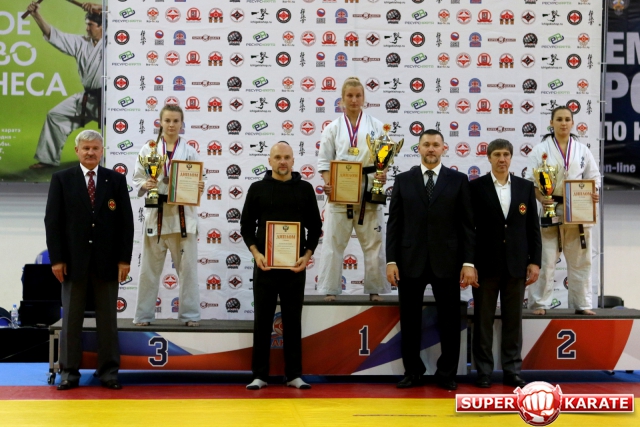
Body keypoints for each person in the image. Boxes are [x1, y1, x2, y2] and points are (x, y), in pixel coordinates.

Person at [386, 129, 476, 390]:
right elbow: (394, 224)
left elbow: (467, 225)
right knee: (410, 321)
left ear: (444, 148)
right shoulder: (403, 180)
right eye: (426, 144)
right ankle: (413, 372)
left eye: (436, 144)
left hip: (447, 261)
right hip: (409, 261)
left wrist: (468, 263)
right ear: (419, 148)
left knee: (450, 321)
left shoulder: (458, 180)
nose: (431, 149)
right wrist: (391, 260)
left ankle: (446, 374)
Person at [44, 129, 134, 390]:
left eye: (95, 148)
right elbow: (53, 221)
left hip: (108, 262)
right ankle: (69, 373)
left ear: (102, 151)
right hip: (73, 263)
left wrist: (124, 259)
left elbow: (126, 223)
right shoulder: (62, 179)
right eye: (86, 148)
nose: (90, 152)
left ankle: (108, 372)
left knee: (108, 321)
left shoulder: (115, 180)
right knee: (71, 321)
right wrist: (57, 259)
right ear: (77, 151)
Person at [240, 142, 322, 390]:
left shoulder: (305, 189)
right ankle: (259, 376)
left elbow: (315, 227)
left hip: (294, 268)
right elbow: (246, 226)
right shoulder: (257, 188)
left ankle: (294, 375)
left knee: (293, 322)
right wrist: (256, 254)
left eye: (286, 157)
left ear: (293, 160)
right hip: (265, 267)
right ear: (269, 160)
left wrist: (307, 255)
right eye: (277, 157)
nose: (282, 161)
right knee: (262, 322)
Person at [470, 139, 542, 388]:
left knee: (513, 321)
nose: (502, 159)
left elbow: (533, 228)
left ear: (511, 158)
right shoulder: (476, 187)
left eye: (506, 155)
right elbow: (469, 229)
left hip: (516, 264)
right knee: (483, 321)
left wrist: (535, 262)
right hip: (485, 265)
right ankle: (484, 371)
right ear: (488, 157)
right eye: (497, 155)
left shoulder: (525, 187)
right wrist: (470, 263)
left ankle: (512, 370)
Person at [317, 77, 389, 301]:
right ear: (342, 99)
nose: (354, 100)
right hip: (341, 190)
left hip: (369, 187)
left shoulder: (377, 126)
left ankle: (375, 289)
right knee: (333, 242)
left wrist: (382, 174)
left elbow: (384, 158)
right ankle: (330, 289)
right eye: (350, 95)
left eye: (358, 95)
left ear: (364, 98)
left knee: (374, 243)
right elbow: (324, 162)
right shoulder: (332, 128)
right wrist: (329, 184)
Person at [133, 105, 204, 327]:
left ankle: (190, 315)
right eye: (167, 120)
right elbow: (136, 178)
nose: (171, 125)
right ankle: (143, 316)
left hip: (183, 217)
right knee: (149, 270)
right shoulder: (148, 150)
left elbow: (197, 179)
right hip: (156, 213)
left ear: (182, 124)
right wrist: (145, 183)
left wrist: (199, 186)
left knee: (188, 270)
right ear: (160, 122)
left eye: (176, 121)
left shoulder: (190, 151)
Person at [525, 106, 600, 315]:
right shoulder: (540, 150)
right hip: (551, 209)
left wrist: (594, 194)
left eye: (567, 119)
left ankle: (582, 304)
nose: (563, 123)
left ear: (572, 123)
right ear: (551, 123)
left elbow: (594, 177)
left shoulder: (582, 150)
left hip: (578, 211)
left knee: (581, 260)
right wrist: (542, 199)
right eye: (559, 119)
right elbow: (531, 182)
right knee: (546, 259)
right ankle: (539, 304)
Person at [27, 2, 104, 169]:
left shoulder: (116, 43)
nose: (87, 29)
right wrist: (36, 15)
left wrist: (100, 7)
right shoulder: (81, 43)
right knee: (55, 115)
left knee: (120, 128)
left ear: (102, 26)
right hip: (88, 98)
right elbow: (54, 35)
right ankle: (48, 159)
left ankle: (118, 159)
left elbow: (123, 19)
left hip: (109, 100)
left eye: (90, 25)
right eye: (86, 25)